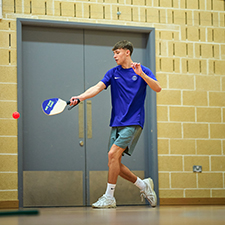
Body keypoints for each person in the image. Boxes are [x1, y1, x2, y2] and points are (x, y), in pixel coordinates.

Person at [70, 40, 161, 208]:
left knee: (112, 155)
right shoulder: (113, 73)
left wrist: (142, 75)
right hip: (117, 122)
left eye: (117, 52)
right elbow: (97, 88)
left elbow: (157, 88)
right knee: (114, 162)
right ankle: (143, 185)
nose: (114, 56)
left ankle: (109, 197)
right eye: (114, 53)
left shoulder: (142, 70)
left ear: (127, 52)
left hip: (134, 121)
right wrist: (80, 97)